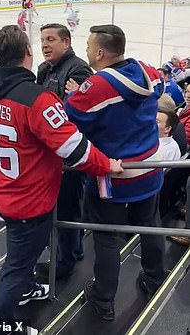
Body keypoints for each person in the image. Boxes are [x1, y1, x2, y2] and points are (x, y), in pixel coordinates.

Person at [0, 25, 123, 334]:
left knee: (21, 257)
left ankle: (28, 287)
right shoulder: (37, 98)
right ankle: (2, 326)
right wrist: (105, 165)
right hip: (30, 199)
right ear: (27, 52)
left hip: (4, 190)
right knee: (16, 266)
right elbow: (73, 147)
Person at [65, 24, 166, 321]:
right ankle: (155, 279)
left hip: (113, 176)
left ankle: (104, 297)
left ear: (99, 52)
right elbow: (159, 89)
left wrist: (75, 94)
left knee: (107, 238)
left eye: (87, 45)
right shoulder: (148, 71)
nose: (85, 50)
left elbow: (68, 116)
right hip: (149, 168)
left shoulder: (96, 87)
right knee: (151, 226)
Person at [37, 23, 94, 279]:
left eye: (51, 39)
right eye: (42, 40)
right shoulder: (44, 69)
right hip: (50, 154)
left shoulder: (79, 68)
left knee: (66, 207)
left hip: (67, 154)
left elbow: (76, 112)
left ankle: (65, 262)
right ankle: (72, 249)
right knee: (61, 206)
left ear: (66, 42)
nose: (45, 45)